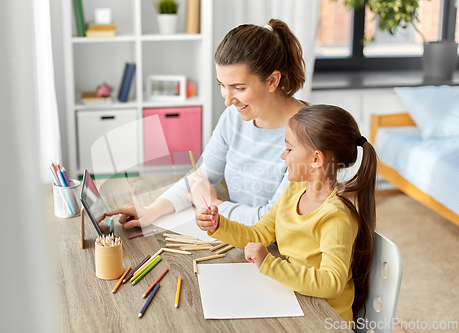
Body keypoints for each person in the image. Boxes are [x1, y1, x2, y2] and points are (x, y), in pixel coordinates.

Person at [106, 19, 307, 227]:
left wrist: (213, 203)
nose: (228, 100)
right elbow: (200, 178)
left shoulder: (308, 136)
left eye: (238, 88)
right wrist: (150, 211)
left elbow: (274, 222)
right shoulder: (234, 117)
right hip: (239, 237)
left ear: (273, 81)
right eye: (223, 85)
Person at [195, 104, 378, 324]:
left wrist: (270, 264)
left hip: (324, 318)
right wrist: (219, 225)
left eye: (289, 149)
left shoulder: (335, 218)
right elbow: (261, 233)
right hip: (295, 298)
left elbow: (331, 283)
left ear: (316, 160)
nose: (283, 155)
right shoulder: (294, 190)